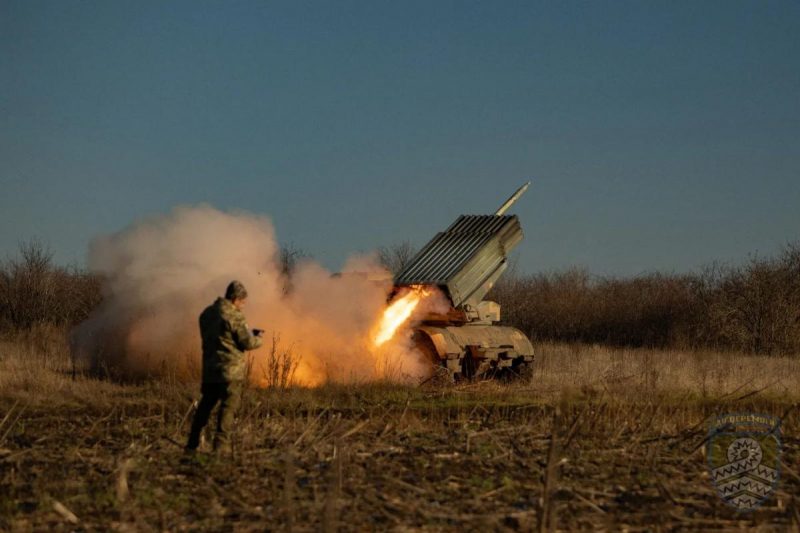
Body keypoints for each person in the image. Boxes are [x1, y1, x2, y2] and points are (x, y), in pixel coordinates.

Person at [186, 280, 263, 455]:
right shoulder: (234, 315)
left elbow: (219, 338)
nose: (243, 306)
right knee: (228, 407)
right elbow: (246, 342)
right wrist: (258, 338)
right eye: (242, 302)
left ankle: (192, 443)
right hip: (230, 371)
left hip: (210, 370)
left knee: (205, 406)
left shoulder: (206, 314)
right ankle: (221, 446)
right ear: (236, 299)